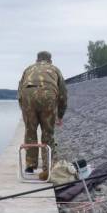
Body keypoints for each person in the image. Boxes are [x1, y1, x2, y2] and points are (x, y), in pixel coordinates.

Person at [17, 51, 68, 180]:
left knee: (30, 132)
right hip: (48, 97)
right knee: (47, 133)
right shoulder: (55, 69)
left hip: (28, 96)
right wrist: (60, 115)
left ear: (37, 59)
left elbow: (19, 92)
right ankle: (47, 167)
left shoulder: (28, 69)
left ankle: (30, 166)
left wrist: (24, 111)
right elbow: (63, 95)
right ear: (50, 60)